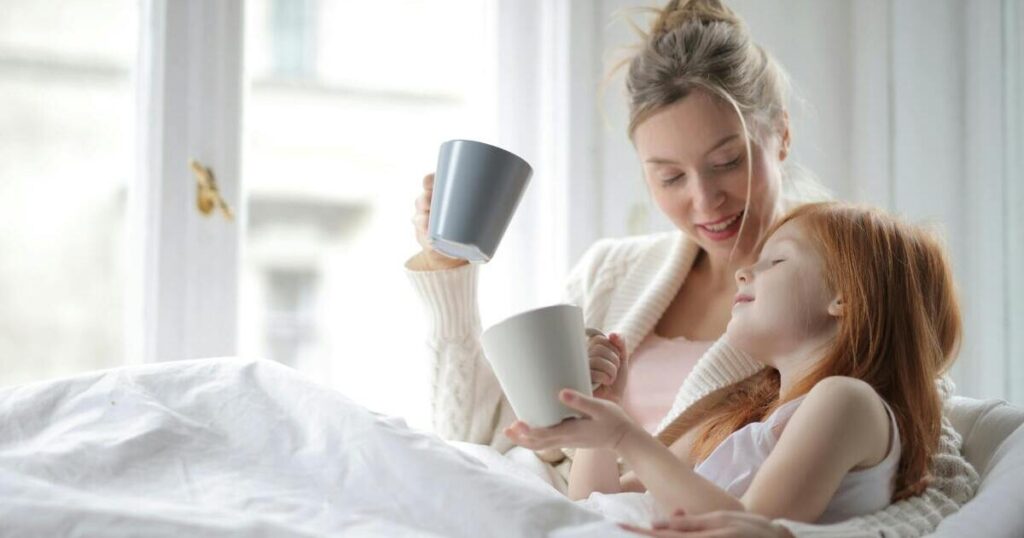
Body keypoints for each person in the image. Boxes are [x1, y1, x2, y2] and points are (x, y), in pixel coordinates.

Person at [405, 0, 977, 534]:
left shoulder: (850, 286)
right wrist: (449, 269)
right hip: (563, 508)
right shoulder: (612, 271)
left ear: (779, 134)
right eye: (670, 176)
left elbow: (934, 477)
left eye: (727, 162)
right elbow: (471, 440)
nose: (705, 201)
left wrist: (789, 534)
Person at [504, 202, 959, 527]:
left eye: (776, 261)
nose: (744, 272)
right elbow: (593, 507)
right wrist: (603, 411)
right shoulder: (741, 418)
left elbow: (754, 529)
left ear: (845, 298)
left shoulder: (847, 401)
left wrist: (625, 435)